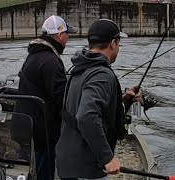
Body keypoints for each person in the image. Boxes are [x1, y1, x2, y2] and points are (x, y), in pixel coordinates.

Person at [55, 19, 141, 180]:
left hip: (67, 162)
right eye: (119, 43)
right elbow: (86, 116)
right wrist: (107, 158)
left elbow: (78, 109)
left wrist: (124, 101)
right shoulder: (102, 75)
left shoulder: (79, 67)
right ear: (113, 43)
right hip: (86, 168)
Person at [11, 15, 78, 180]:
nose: (68, 38)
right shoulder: (51, 61)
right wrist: (77, 122)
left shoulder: (34, 55)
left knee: (39, 164)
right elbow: (61, 98)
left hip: (27, 122)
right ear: (59, 35)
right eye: (67, 34)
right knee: (45, 170)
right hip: (43, 130)